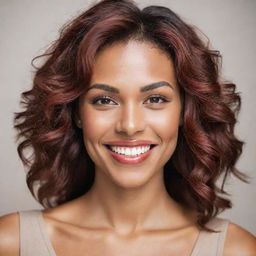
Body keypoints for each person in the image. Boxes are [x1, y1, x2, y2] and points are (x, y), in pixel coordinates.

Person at [0, 0, 255, 255]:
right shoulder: (12, 242)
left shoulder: (236, 249)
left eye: (155, 99)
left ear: (183, 112)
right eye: (104, 100)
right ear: (76, 113)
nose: (130, 126)